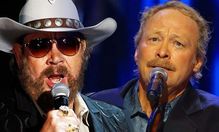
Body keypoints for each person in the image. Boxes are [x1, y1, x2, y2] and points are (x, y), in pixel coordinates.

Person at [0, 0, 128, 131]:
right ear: (19, 55)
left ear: (84, 51)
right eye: (38, 45)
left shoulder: (118, 120)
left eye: (68, 44)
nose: (55, 58)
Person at [89, 1, 219, 132]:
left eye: (178, 43)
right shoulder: (94, 107)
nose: (162, 52)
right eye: (154, 39)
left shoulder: (214, 117)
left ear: (197, 62)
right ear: (137, 51)